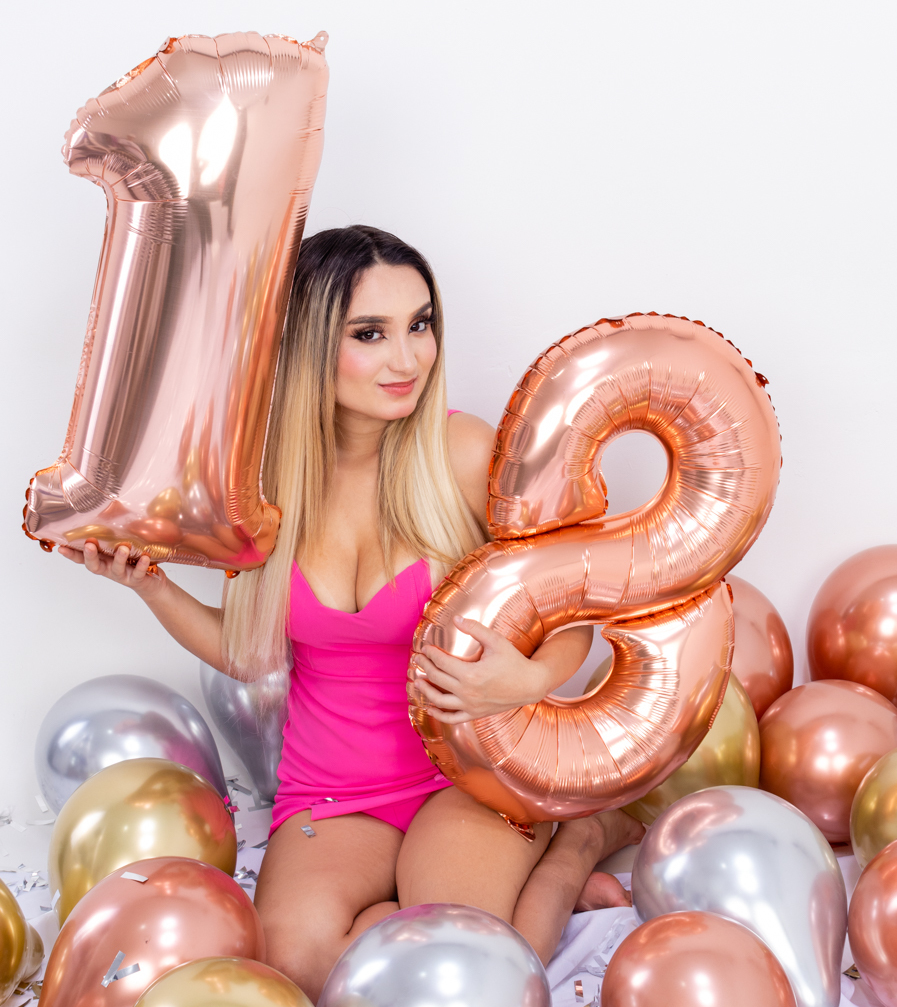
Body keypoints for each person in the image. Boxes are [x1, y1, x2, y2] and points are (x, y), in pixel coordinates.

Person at [60, 225, 643, 999]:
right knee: (298, 968)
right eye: (370, 334)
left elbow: (573, 610)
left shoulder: (466, 455)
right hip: (332, 790)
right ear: (308, 345)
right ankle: (451, 899)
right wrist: (152, 587)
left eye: (420, 324)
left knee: (453, 972)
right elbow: (248, 655)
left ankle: (573, 849)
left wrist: (525, 679)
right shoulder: (262, 487)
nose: (407, 359)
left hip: (465, 774)